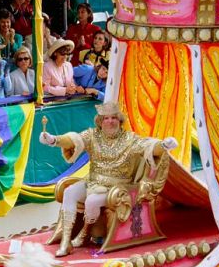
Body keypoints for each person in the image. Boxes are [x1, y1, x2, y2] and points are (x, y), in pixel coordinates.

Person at [39, 101, 177, 256]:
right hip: (93, 182)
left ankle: (85, 231)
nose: (110, 121)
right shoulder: (93, 135)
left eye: (114, 118)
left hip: (117, 188)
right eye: (106, 118)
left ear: (119, 121)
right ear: (100, 121)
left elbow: (149, 146)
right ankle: (65, 242)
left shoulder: (130, 139)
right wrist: (53, 140)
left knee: (91, 201)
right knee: (69, 192)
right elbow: (74, 139)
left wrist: (163, 146)